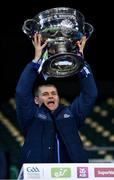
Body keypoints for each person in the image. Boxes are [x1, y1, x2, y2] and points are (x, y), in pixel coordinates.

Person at [16, 33, 97, 168]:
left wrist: (80, 63)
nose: (51, 96)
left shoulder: (71, 115)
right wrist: (36, 60)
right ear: (37, 100)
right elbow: (21, 92)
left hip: (72, 175)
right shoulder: (30, 116)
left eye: (54, 93)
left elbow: (90, 94)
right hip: (39, 175)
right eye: (46, 94)